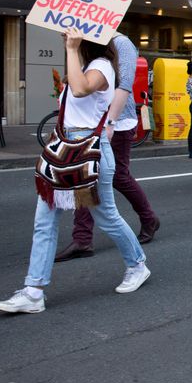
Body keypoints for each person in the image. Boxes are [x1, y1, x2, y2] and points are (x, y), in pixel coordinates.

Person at [0, 28, 149, 314]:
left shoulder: (102, 66)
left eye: (74, 34)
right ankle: (33, 290)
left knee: (107, 217)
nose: (66, 36)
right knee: (44, 220)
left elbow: (80, 89)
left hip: (90, 153)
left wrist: (71, 49)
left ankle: (137, 265)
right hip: (66, 151)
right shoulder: (86, 64)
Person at [54, 34, 161, 263]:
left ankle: (149, 218)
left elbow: (124, 84)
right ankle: (82, 238)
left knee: (118, 176)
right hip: (91, 124)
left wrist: (110, 122)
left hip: (117, 122)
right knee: (85, 177)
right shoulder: (88, 40)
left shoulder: (121, 42)